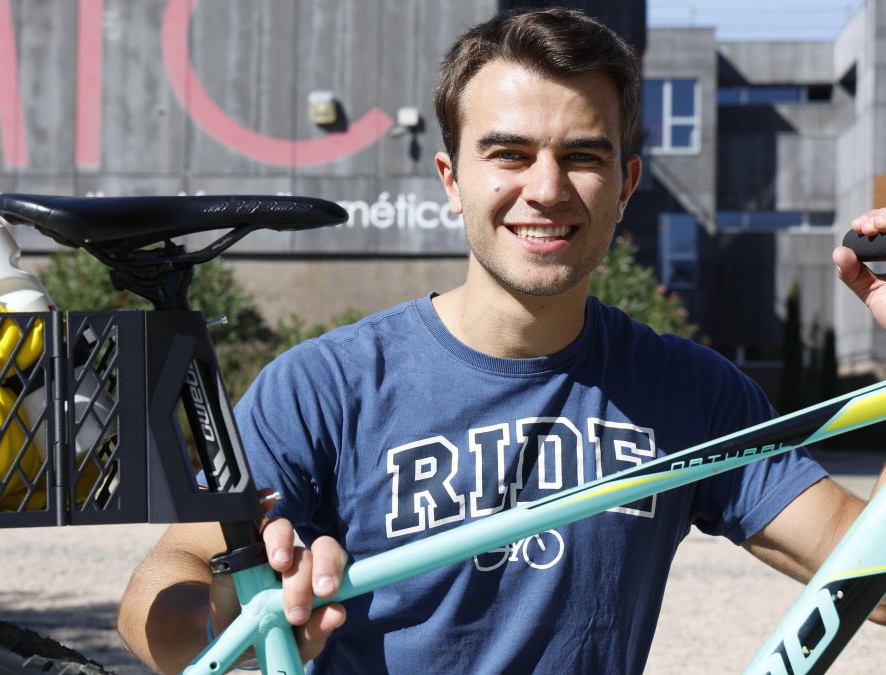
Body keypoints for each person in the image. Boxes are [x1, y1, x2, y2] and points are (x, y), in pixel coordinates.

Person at [117, 7, 886, 673]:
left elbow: (873, 578)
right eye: (510, 153)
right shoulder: (327, 386)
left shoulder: (691, 392)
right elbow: (156, 592)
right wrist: (231, 624)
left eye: (582, 155)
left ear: (625, 185)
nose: (546, 189)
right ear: (451, 179)